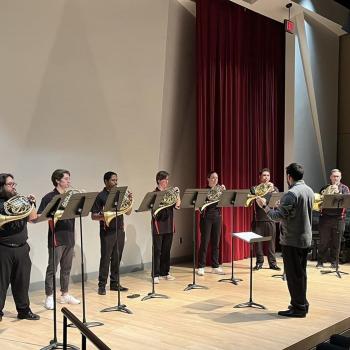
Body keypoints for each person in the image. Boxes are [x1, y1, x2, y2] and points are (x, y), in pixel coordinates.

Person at [256, 163, 314, 318]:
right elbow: (295, 212)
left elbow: (276, 217)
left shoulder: (291, 193)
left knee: (293, 276)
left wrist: (265, 206)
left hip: (292, 240)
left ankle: (298, 308)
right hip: (305, 238)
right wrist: (280, 207)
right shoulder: (309, 190)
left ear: (289, 177)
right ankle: (302, 303)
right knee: (301, 274)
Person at [38, 169, 80, 310]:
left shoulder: (72, 197)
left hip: (69, 236)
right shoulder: (49, 197)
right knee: (52, 268)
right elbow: (40, 215)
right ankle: (49, 296)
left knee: (66, 268)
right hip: (56, 237)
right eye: (66, 179)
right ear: (57, 180)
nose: (69, 181)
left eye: (69, 178)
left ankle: (65, 294)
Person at [0, 173, 40, 321]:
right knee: (1, 283)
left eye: (14, 184)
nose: (13, 186)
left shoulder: (20, 201)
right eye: (10, 184)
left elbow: (33, 219)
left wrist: (32, 204)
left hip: (22, 247)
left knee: (22, 281)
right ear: (1, 187)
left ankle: (23, 310)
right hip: (3, 248)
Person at [91, 171, 131, 295]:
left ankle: (115, 283)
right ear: (106, 181)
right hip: (107, 231)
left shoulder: (120, 194)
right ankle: (102, 285)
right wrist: (106, 215)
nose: (116, 182)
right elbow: (93, 216)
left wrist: (129, 201)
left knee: (116, 258)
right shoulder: (100, 196)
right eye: (113, 180)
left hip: (120, 229)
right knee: (105, 258)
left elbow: (128, 212)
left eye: (116, 180)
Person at [151, 170, 180, 284]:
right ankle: (155, 274)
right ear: (159, 180)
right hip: (158, 225)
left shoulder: (169, 193)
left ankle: (165, 272)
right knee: (157, 251)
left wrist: (177, 194)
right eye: (165, 179)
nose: (167, 182)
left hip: (169, 225)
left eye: (168, 179)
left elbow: (178, 206)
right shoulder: (154, 194)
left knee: (166, 250)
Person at [316, 169, 349, 269]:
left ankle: (334, 262)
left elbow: (347, 202)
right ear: (330, 177)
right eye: (334, 176)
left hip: (339, 218)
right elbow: (319, 202)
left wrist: (338, 192)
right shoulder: (325, 188)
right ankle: (320, 262)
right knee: (323, 242)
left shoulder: (344, 188)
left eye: (337, 176)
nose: (335, 178)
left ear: (340, 177)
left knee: (336, 242)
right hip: (325, 218)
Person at [251, 168, 280, 271]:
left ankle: (272, 263)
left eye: (268, 175)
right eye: (264, 175)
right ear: (260, 177)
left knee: (271, 244)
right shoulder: (254, 189)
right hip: (258, 220)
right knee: (258, 243)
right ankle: (259, 262)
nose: (266, 177)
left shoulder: (274, 189)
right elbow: (258, 202)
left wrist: (273, 192)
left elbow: (276, 203)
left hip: (271, 219)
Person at [197, 171, 225, 276]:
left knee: (216, 243)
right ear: (208, 179)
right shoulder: (204, 191)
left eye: (216, 178)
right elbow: (199, 206)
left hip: (217, 217)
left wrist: (224, 193)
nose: (215, 180)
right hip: (206, 218)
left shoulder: (220, 190)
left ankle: (215, 266)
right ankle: (201, 266)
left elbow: (224, 202)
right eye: (212, 178)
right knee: (205, 242)